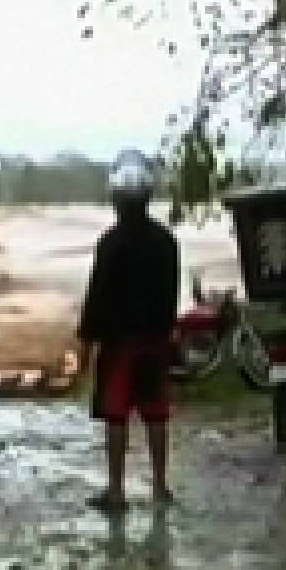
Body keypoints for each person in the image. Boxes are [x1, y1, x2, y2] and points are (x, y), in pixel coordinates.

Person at [78, 149, 180, 512]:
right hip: (155, 342)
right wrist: (168, 337)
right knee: (155, 414)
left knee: (116, 416)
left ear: (117, 198)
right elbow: (171, 296)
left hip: (119, 345)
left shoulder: (110, 243)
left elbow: (97, 298)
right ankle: (160, 487)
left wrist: (85, 349)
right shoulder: (167, 242)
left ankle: (117, 490)